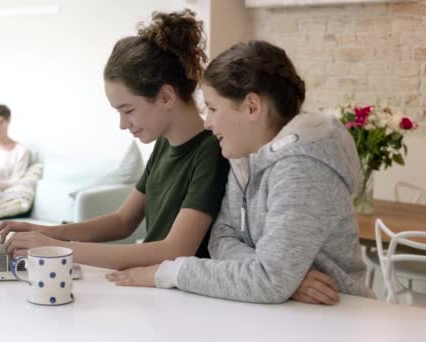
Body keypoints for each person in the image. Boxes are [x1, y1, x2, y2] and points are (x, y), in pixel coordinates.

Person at [105, 40, 375, 304]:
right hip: (283, 314)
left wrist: (171, 272)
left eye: (212, 108)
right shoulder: (242, 159)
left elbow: (269, 281)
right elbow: (221, 238)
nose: (208, 123)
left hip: (338, 314)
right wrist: (280, 277)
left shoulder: (303, 169)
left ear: (252, 107)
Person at [0, 9, 229, 270]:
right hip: (152, 284)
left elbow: (174, 250)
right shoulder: (164, 143)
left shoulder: (211, 151)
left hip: (181, 296)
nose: (123, 124)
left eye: (128, 110)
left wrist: (55, 248)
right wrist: (44, 232)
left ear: (166, 97)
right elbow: (123, 221)